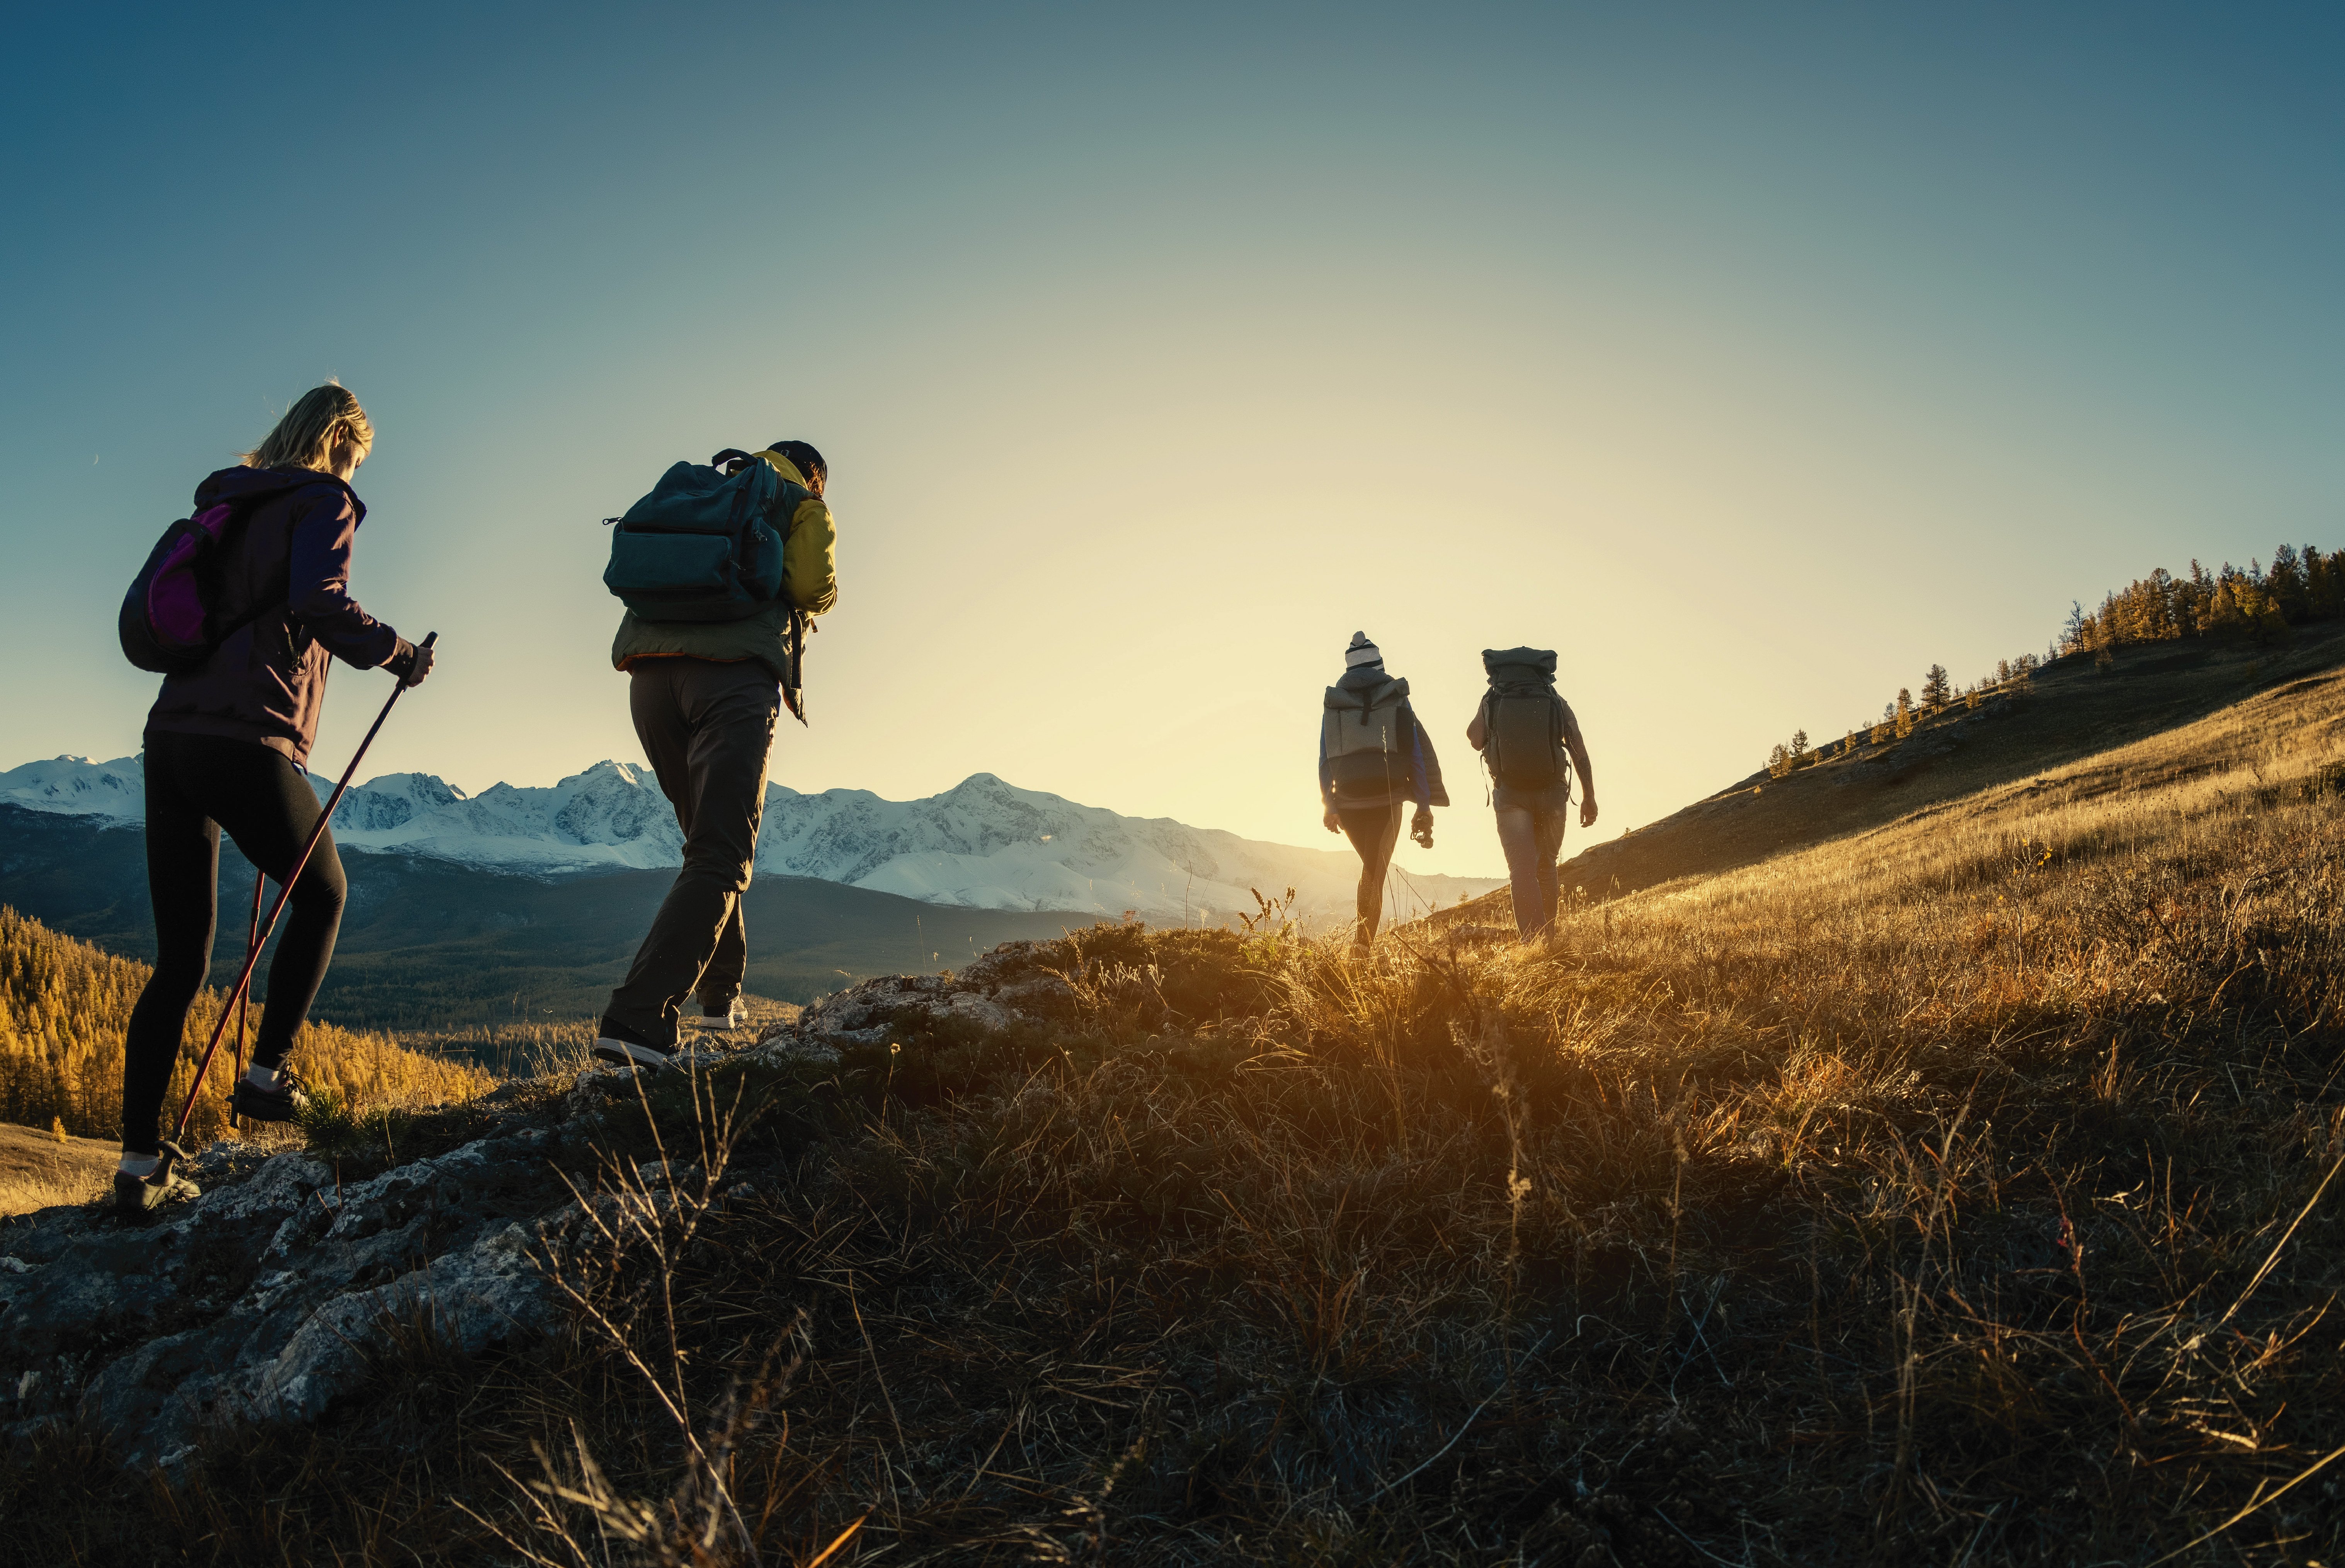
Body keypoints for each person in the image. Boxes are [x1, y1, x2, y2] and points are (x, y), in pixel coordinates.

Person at [119, 383, 432, 1216]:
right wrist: (396, 653)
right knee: (324, 893)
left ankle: (138, 1162)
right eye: (356, 456)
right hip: (246, 734)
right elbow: (318, 602)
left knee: (180, 960)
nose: (355, 471)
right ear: (337, 439)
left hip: (172, 736)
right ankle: (267, 1077)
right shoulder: (324, 499)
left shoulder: (228, 501)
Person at [593, 441, 837, 1067]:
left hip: (649, 680)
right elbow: (813, 587)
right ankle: (638, 1020)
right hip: (730, 679)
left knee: (705, 844)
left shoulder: (703, 488)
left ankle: (719, 995)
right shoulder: (802, 504)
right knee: (721, 854)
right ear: (814, 477)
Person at [1319, 632, 1448, 952]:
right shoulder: (1396, 698)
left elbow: (1325, 757)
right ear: (1379, 665)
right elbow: (1415, 753)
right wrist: (1424, 802)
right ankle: (1361, 949)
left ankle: (1362, 945)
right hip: (1387, 799)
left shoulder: (1336, 703)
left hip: (1347, 803)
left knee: (1372, 868)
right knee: (1374, 870)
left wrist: (1329, 804)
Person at [1465, 647, 1595, 941]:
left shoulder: (1494, 699)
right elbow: (1579, 750)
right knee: (1546, 865)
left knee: (1522, 870)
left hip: (1511, 795)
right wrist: (1589, 796)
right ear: (1544, 672)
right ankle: (1548, 937)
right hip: (1552, 794)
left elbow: (1475, 740)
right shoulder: (1554, 700)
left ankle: (1532, 940)